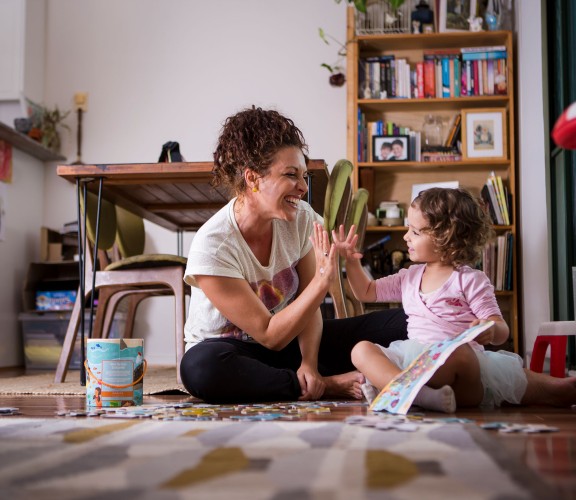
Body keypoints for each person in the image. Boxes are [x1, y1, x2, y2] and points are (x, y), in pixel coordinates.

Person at [179, 106, 409, 404]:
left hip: (291, 345)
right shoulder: (214, 245)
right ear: (252, 178)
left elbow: (308, 306)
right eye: (290, 175)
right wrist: (323, 280)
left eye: (304, 175)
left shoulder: (300, 218)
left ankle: (310, 378)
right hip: (232, 352)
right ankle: (326, 385)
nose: (302, 187)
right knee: (199, 369)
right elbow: (268, 334)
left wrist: (309, 363)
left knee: (409, 319)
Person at [333, 187, 576, 412]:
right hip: (416, 363)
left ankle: (557, 390)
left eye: (415, 232)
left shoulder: (470, 280)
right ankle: (419, 396)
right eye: (409, 228)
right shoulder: (408, 277)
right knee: (360, 350)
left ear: (445, 238)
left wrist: (490, 330)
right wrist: (352, 262)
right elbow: (365, 291)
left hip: (461, 374)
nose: (406, 237)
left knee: (465, 356)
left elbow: (501, 328)